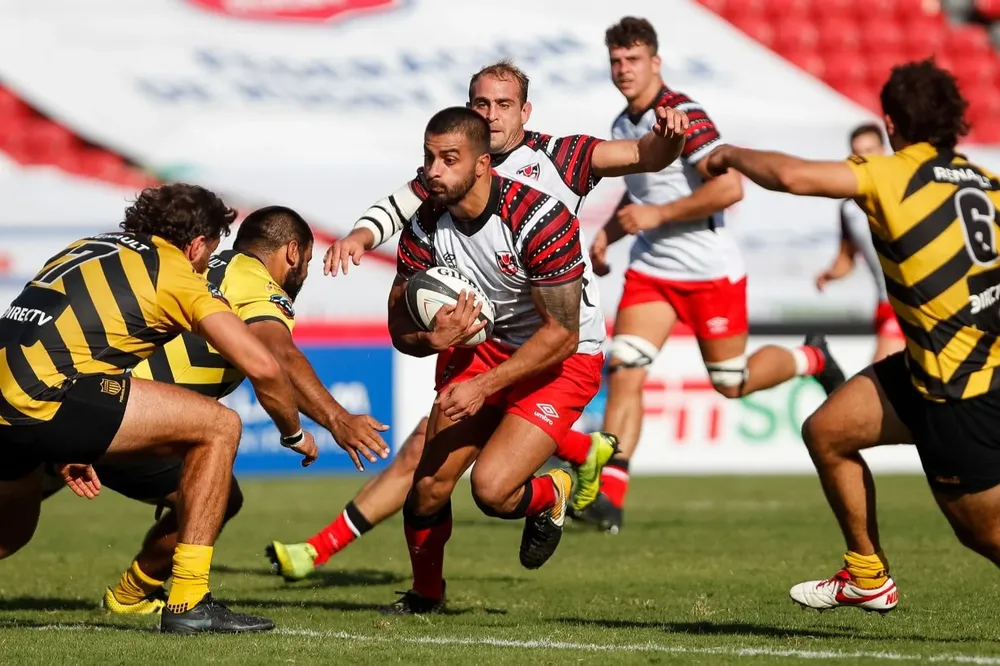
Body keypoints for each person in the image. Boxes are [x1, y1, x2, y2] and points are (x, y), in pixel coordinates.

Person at [266, 59, 689, 580]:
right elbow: (395, 209)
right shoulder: (441, 179)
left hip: (561, 337)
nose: (490, 114)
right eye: (480, 104)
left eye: (503, 104)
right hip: (484, 338)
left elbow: (644, 154)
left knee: (487, 483)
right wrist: (361, 241)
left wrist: (668, 139)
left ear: (524, 111)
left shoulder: (560, 159)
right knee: (428, 472)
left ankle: (563, 469)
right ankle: (413, 585)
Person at [705, 58, 1000, 614]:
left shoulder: (892, 174)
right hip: (927, 368)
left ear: (890, 122)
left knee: (984, 537)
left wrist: (730, 153)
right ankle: (868, 575)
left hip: (960, 390)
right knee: (828, 430)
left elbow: (792, 177)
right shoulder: (987, 184)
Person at [39, 205, 390, 615]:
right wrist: (337, 419)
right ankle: (144, 596)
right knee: (216, 491)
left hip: (90, 400)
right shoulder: (255, 280)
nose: (305, 273)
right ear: (292, 252)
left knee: (15, 515)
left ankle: (133, 594)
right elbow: (276, 356)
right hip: (132, 416)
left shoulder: (208, 266)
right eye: (308, 261)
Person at [0, 184, 318, 634]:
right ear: (196, 245)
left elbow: (72, 333)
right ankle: (189, 602)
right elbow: (264, 367)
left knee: (11, 532)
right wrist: (293, 433)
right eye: (211, 250)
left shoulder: (89, 246)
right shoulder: (176, 272)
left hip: (12, 393)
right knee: (220, 426)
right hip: (50, 395)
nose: (210, 262)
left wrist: (69, 436)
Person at [573, 17, 846, 534]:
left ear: (655, 62)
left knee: (729, 382)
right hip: (652, 269)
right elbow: (641, 195)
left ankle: (811, 356)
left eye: (633, 60)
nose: (623, 70)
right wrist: (610, 234)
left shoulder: (685, 115)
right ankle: (608, 499)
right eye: (616, 61)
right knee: (625, 368)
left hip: (708, 270)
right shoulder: (621, 124)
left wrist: (658, 217)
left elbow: (729, 190)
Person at [380, 106, 637, 614]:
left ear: (482, 164)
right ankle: (426, 595)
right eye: (428, 158)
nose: (433, 170)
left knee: (493, 491)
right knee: (428, 486)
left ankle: (554, 491)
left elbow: (561, 334)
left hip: (562, 357)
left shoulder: (540, 219)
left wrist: (482, 386)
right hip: (486, 349)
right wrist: (435, 340)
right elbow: (398, 328)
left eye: (448, 159)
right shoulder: (424, 228)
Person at [815, 124, 906, 363]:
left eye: (870, 149)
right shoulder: (849, 207)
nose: (865, 158)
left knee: (881, 377)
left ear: (884, 150)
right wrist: (830, 275)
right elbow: (847, 257)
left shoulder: (907, 193)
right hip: (885, 302)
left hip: (913, 301)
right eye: (858, 153)